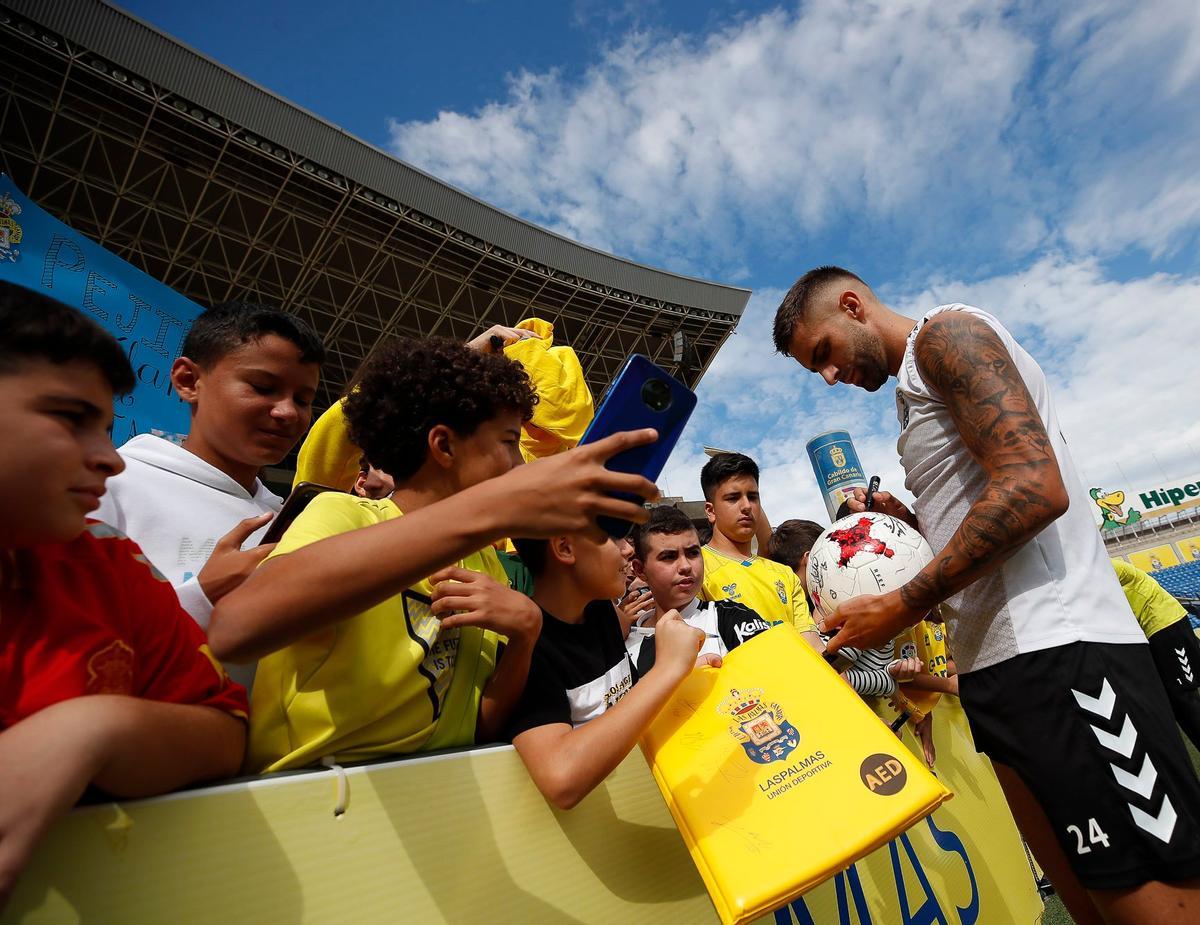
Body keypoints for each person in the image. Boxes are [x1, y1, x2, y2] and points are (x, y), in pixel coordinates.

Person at [773, 265, 1200, 923]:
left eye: (823, 352)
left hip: (1063, 652)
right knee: (1093, 906)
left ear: (852, 305)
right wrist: (913, 527)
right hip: (999, 675)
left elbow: (1034, 486)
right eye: (814, 370)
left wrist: (904, 601)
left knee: (1158, 901)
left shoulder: (946, 334)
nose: (829, 376)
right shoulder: (912, 395)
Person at [209, 339, 660, 774]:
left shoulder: (485, 563)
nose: (519, 466)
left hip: (438, 800)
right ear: (443, 446)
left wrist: (525, 635)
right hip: (312, 805)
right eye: (508, 442)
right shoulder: (343, 515)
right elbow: (237, 628)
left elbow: (480, 727)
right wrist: (493, 510)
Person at [0, 284, 248, 907]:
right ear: (188, 382)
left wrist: (95, 726)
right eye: (69, 419)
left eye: (107, 429)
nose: (110, 461)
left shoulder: (107, 561)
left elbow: (225, 730)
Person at [95, 303, 325, 687]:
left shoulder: (293, 517)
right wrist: (203, 595)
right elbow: (65, 642)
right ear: (188, 381)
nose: (288, 412)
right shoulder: (110, 486)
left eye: (303, 399)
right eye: (263, 388)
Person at [506, 531, 707, 809]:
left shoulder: (601, 611)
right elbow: (561, 780)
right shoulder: (526, 649)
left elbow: (624, 703)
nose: (628, 550)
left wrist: (682, 675)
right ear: (565, 548)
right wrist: (668, 669)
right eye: (612, 536)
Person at [766, 519, 922, 698]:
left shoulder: (820, 602)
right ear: (810, 559)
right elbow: (823, 673)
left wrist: (889, 672)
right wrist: (886, 681)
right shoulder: (804, 607)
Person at [698, 453, 823, 651]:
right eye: (733, 498)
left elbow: (812, 645)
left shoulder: (784, 574)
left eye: (753, 497)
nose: (747, 506)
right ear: (711, 511)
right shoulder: (695, 570)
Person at [625, 505, 771, 674]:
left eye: (693, 553)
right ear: (640, 570)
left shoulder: (733, 617)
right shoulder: (623, 643)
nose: (685, 566)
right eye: (669, 557)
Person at [1113, 560, 1200, 751]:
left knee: (1183, 695)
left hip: (1163, 623)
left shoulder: (1103, 566)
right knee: (1178, 701)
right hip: (1155, 628)